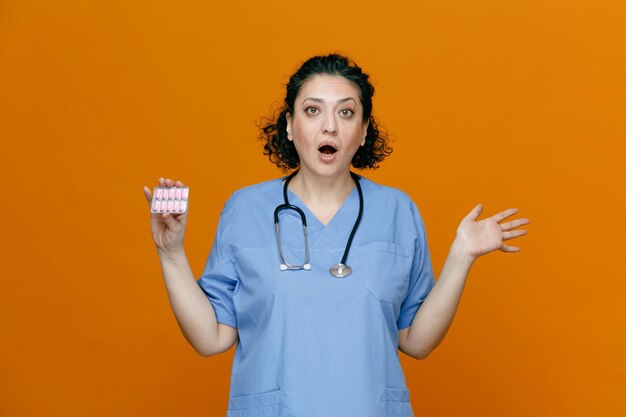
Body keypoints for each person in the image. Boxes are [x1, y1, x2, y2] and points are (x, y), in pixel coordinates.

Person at [143, 54, 529, 417]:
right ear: (290, 126)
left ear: (362, 132)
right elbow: (211, 338)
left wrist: (461, 255)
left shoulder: (397, 211)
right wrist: (171, 253)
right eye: (313, 110)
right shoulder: (245, 210)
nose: (330, 125)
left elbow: (415, 341)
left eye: (346, 112)